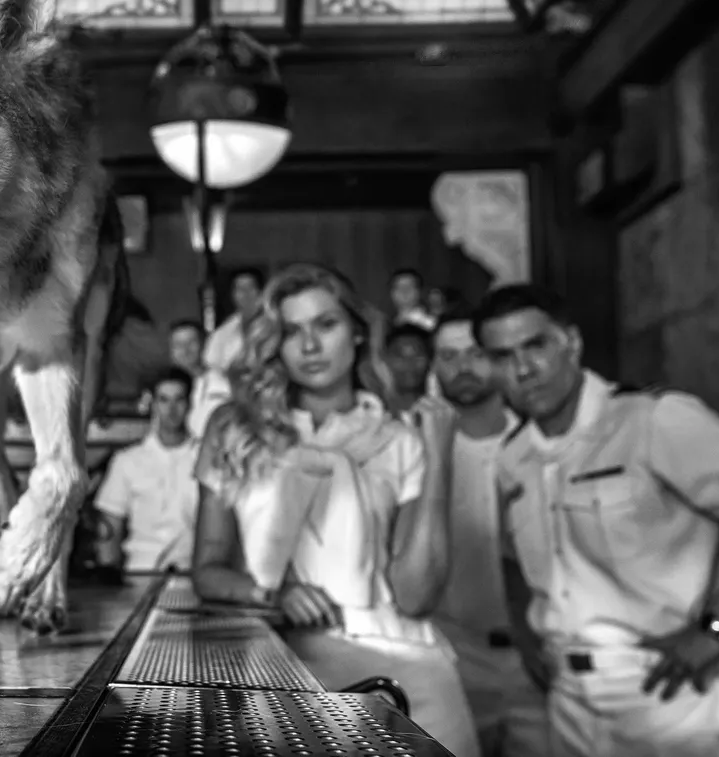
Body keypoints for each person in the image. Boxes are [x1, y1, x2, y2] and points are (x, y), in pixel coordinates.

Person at [475, 284, 719, 757]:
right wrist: (525, 633)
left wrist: (716, 631)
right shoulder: (514, 456)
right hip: (568, 698)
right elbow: (513, 558)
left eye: (535, 346)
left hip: (666, 689)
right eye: (502, 356)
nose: (522, 369)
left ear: (571, 343)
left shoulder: (652, 420)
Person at [191, 263, 478, 757]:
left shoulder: (398, 438)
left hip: (405, 666)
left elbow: (416, 596)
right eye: (291, 331)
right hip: (281, 667)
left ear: (358, 332)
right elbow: (207, 569)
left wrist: (439, 461)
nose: (309, 346)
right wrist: (272, 593)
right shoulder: (235, 430)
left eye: (326, 324)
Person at [428, 308, 547, 757]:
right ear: (434, 366)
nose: (463, 367)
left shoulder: (540, 443)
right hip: (450, 655)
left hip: (537, 657)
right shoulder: (417, 452)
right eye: (448, 356)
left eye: (475, 354)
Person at [94, 368, 201, 572]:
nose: (171, 409)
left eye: (179, 399)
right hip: (140, 571)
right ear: (153, 404)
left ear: (189, 403)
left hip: (191, 572)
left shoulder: (205, 459)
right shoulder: (127, 461)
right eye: (164, 400)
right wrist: (108, 574)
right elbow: (110, 525)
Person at [203, 267, 266, 372]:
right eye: (240, 289)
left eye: (250, 287)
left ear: (261, 291)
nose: (246, 293)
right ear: (233, 295)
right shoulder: (222, 334)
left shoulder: (275, 323)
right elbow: (211, 366)